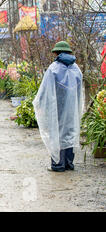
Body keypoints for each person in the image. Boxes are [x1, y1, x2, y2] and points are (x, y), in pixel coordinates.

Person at [33, 41, 83, 172]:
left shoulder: (53, 68)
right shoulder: (76, 68)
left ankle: (58, 164)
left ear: (57, 53)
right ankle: (68, 163)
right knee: (69, 132)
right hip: (72, 108)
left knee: (56, 133)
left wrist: (40, 104)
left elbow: (44, 91)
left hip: (56, 107)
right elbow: (79, 91)